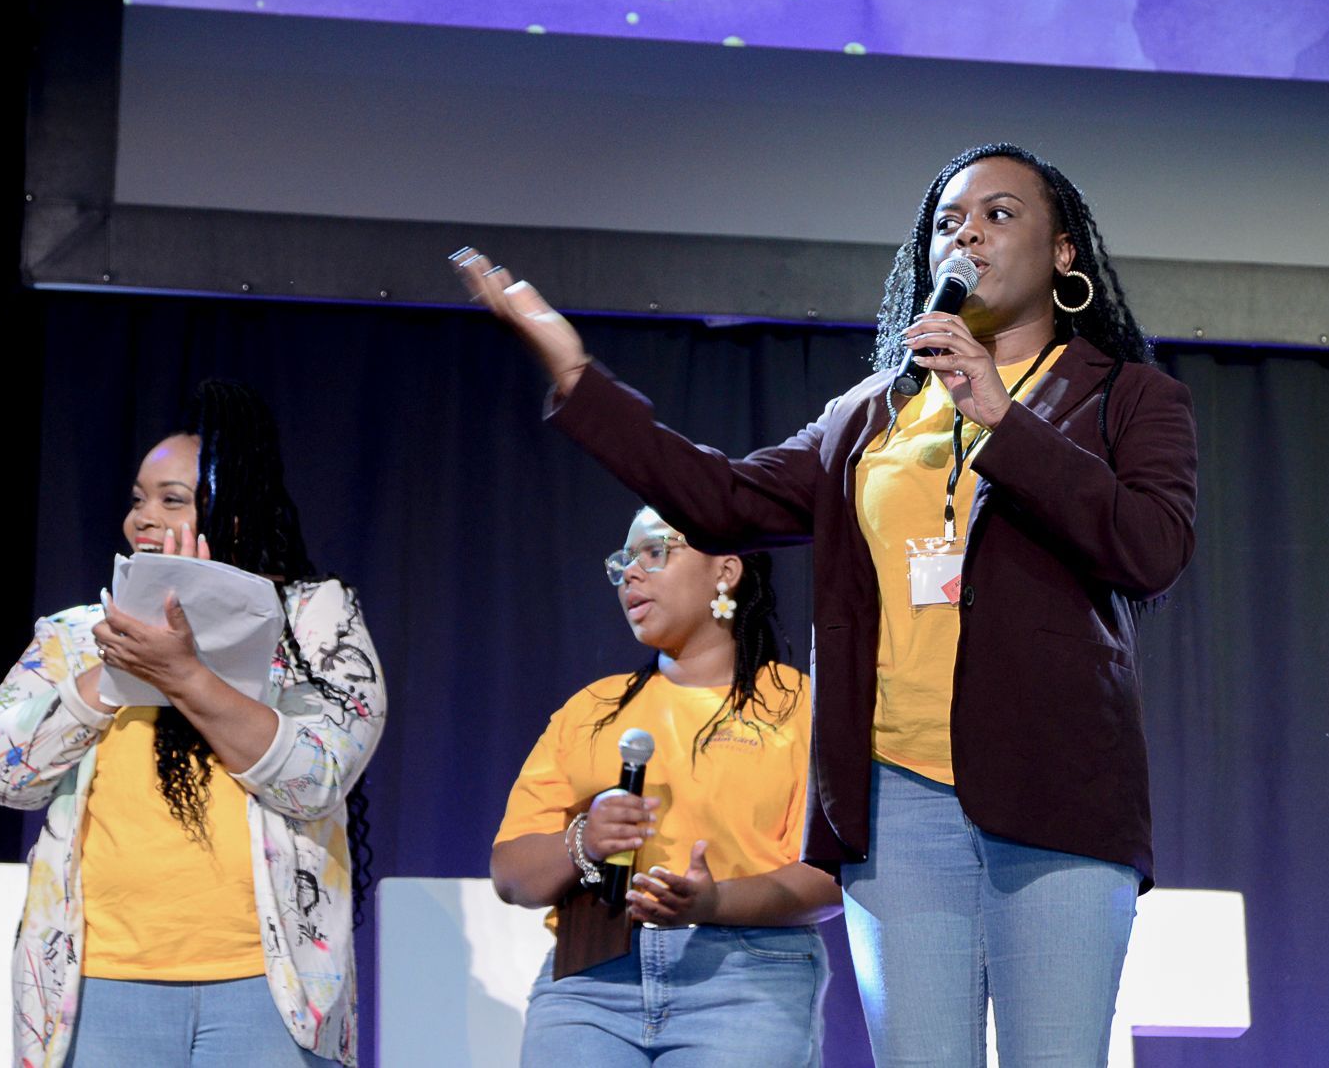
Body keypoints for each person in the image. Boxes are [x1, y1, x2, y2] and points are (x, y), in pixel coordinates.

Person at [454, 142, 1199, 1066]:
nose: (966, 234)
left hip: (1055, 788)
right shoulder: (868, 415)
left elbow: (1150, 550)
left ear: (1062, 253)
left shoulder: (1127, 396)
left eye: (998, 214)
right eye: (947, 222)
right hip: (895, 801)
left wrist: (1001, 416)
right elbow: (719, 501)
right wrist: (576, 374)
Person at [0, 380, 386, 1068]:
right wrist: (117, 672)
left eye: (171, 499)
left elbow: (318, 779)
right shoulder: (77, 635)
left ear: (233, 514)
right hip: (99, 985)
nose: (143, 517)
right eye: (138, 499)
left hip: (268, 989)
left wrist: (188, 674)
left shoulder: (313, 620)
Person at [491, 507, 842, 1066]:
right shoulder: (591, 710)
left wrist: (715, 901)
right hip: (590, 981)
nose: (631, 574)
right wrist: (584, 840)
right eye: (623, 562)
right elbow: (511, 874)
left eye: (655, 553)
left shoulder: (799, 707)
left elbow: (831, 878)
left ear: (725, 571)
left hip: (746, 977)